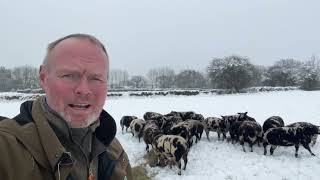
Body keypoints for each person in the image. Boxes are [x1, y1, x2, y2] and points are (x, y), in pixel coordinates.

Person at [0, 34, 133, 180]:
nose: (83, 90)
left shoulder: (113, 149)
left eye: (95, 78)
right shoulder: (7, 152)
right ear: (43, 78)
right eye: (69, 75)